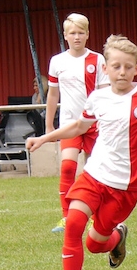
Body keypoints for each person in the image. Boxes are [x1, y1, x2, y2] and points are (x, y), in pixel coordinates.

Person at [27, 35, 137, 270]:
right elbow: (79, 127)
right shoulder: (97, 98)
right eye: (116, 66)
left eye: (127, 67)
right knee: (73, 224)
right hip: (94, 175)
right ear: (105, 68)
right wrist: (44, 138)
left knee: (95, 244)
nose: (121, 72)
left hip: (125, 186)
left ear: (136, 69)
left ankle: (117, 237)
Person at [45, 13, 109, 233]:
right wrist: (49, 125)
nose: (77, 37)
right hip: (69, 124)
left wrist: (104, 120)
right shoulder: (57, 61)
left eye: (81, 32)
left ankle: (97, 217)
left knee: (95, 171)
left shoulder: (97, 60)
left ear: (88, 34)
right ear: (65, 35)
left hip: (94, 124)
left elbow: (104, 93)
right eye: (72, 33)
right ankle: (66, 217)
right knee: (68, 167)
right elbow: (53, 94)